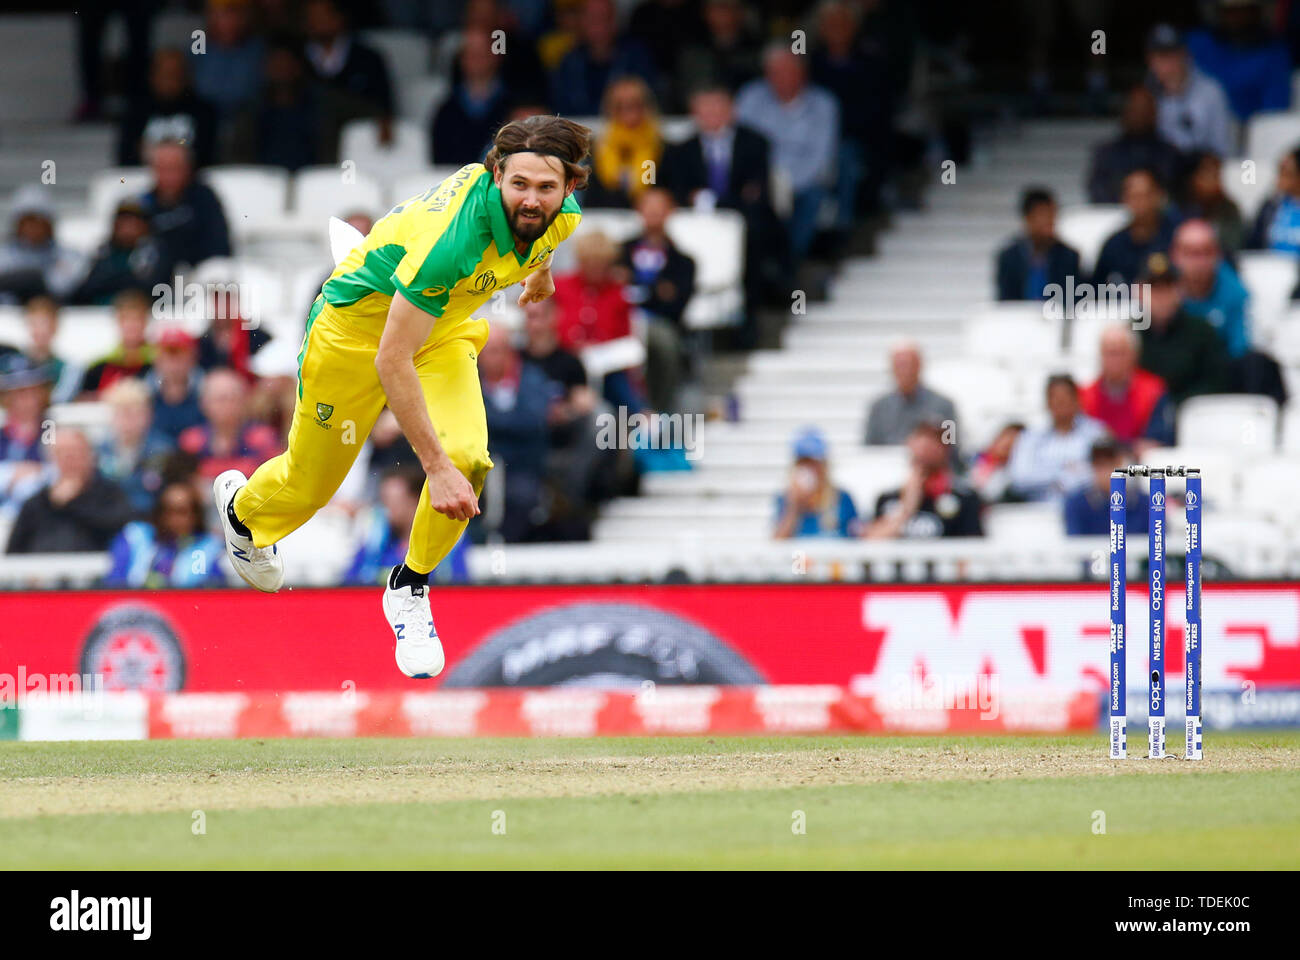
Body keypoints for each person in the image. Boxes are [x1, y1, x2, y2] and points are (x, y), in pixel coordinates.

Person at [213, 116, 589, 680]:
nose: (532, 199)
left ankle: (409, 587)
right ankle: (244, 516)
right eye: (519, 186)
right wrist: (431, 467)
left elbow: (538, 240)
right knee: (312, 486)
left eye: (546, 189)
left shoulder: (561, 218)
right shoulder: (453, 244)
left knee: (469, 459)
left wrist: (539, 273)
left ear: (568, 189)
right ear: (495, 175)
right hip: (355, 334)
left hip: (441, 328)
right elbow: (392, 359)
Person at [736, 44, 839, 264]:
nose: (782, 78)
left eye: (789, 71)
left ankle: (791, 263)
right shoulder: (750, 97)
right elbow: (741, 145)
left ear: (803, 73)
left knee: (813, 195)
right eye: (775, 72)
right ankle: (761, 266)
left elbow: (821, 157)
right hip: (761, 177)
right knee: (748, 198)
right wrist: (766, 182)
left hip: (803, 179)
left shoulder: (824, 103)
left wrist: (788, 184)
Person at [620, 188, 696, 410]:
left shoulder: (683, 262)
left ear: (671, 212)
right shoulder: (619, 251)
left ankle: (659, 412)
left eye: (659, 208)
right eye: (648, 206)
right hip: (620, 322)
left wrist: (638, 290)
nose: (653, 213)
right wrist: (657, 292)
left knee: (664, 345)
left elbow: (677, 305)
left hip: (661, 325)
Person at [6, 428, 132, 554]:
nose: (69, 459)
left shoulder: (109, 494)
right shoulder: (36, 503)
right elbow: (14, 551)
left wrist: (72, 503)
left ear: (90, 455)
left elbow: (122, 529)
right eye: (62, 453)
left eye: (75, 452)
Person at [344, 468, 468, 586]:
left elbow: (460, 586)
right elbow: (349, 584)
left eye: (394, 501)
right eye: (384, 501)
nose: (386, 508)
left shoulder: (448, 543)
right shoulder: (373, 542)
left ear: (416, 501)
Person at [1136, 254, 1231, 405]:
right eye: (1154, 288)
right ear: (1139, 292)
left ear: (1180, 290)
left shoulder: (1202, 332)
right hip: (1143, 419)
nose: (1161, 296)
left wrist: (1174, 404)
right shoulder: (1129, 336)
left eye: (1167, 287)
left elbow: (1217, 383)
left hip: (1193, 417)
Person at [863, 421, 983, 539]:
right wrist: (907, 508)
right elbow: (871, 543)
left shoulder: (965, 499)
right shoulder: (889, 498)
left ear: (946, 450)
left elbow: (972, 547)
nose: (925, 449)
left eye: (934, 441)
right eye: (921, 441)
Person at [1005, 374, 1109, 502]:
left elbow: (1108, 471)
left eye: (1065, 399)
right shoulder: (1031, 437)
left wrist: (1079, 476)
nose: (1061, 404)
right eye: (1056, 399)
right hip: (1041, 510)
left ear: (1077, 400)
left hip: (1088, 509)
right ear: (1047, 403)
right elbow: (1019, 477)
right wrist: (1060, 474)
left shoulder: (1096, 434)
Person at [104, 480, 227, 587]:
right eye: (168, 510)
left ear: (195, 515)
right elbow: (115, 582)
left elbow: (212, 590)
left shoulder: (208, 548)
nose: (173, 518)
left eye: (181, 511)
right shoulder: (135, 536)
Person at [117, 47, 219, 168]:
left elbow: (206, 157)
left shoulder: (204, 112)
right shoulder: (135, 112)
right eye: (165, 74)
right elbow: (126, 158)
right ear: (152, 76)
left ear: (187, 76)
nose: (170, 80)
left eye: (176, 74)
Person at [1079, 324, 1175, 451]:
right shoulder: (1085, 396)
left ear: (1134, 355)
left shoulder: (1153, 391)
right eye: (1109, 353)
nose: (1114, 360)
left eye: (1120, 353)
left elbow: (1158, 441)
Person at [139, 140, 232, 270]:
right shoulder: (143, 203)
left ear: (187, 168)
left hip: (199, 274)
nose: (168, 177)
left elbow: (219, 248)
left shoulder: (204, 199)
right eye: (162, 169)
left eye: (174, 168)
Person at [1145, 23, 1234, 158]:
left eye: (1172, 55)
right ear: (1150, 60)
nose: (1167, 64)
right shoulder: (1145, 95)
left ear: (1184, 54)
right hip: (1159, 168)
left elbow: (1221, 148)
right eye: (1160, 56)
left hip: (1199, 166)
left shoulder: (1210, 91)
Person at [179, 367, 282, 482]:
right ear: (204, 403)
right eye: (220, 399)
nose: (227, 406)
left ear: (245, 401)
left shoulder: (262, 439)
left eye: (233, 398)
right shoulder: (192, 442)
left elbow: (275, 481)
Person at [1086, 86, 1183, 205]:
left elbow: (1175, 195)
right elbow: (1097, 192)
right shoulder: (1105, 153)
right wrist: (1129, 206)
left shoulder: (1170, 154)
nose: (1139, 115)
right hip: (1117, 217)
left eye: (1144, 109)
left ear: (1154, 113)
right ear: (1124, 113)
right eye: (1134, 109)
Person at [1171, 219, 1250, 358]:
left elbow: (1238, 350)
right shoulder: (1160, 287)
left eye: (1206, 252)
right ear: (1175, 255)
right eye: (1190, 253)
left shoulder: (1235, 292)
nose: (1199, 262)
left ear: (1218, 254)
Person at [431, 29, 509, 167]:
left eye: (482, 52)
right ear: (461, 59)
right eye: (470, 53)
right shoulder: (445, 112)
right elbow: (440, 166)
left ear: (496, 56)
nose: (476, 58)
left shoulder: (515, 106)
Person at [71, 198, 170, 306]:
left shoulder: (156, 253)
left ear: (145, 225)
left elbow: (156, 288)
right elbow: (85, 290)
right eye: (123, 220)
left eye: (133, 221)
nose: (127, 226)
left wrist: (114, 279)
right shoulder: (102, 253)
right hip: (99, 316)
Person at [97, 378, 173, 517]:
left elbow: (154, 493)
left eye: (135, 413)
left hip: (150, 519)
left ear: (148, 415)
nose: (128, 421)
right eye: (122, 413)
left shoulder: (162, 449)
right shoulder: (100, 450)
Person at [586, 76, 664, 208]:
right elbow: (593, 196)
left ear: (646, 107)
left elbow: (663, 190)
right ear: (611, 110)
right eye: (620, 107)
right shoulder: (600, 148)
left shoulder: (659, 145)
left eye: (635, 105)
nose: (628, 113)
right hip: (609, 215)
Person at [1092, 168, 1178, 286]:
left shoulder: (1178, 237)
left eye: (1146, 195)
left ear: (1160, 195)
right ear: (1124, 199)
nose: (1140, 202)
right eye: (1133, 196)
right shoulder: (1113, 245)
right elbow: (1095, 289)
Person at [0, 186, 85, 305]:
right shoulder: (3, 255)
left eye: (39, 221)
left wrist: (24, 279)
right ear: (17, 224)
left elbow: (60, 287)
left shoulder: (69, 256)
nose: (32, 227)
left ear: (49, 224)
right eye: (27, 220)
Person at [864, 340, 958, 448]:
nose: (905, 371)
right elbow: (869, 451)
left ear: (920, 365)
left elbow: (952, 451)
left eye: (908, 364)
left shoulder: (944, 407)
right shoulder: (878, 409)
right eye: (899, 365)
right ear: (892, 368)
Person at [995, 187, 1082, 302]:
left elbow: (1073, 299)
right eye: (1042, 215)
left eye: (1052, 215)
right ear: (1028, 218)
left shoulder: (1069, 256)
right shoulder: (1009, 258)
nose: (1049, 221)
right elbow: (1006, 300)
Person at [772, 426, 858, 539]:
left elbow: (859, 537)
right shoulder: (786, 499)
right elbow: (777, 542)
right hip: (798, 556)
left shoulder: (842, 498)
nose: (809, 469)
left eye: (814, 463)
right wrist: (794, 506)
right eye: (804, 463)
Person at [0, 354, 51, 520]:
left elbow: (54, 472)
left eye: (33, 391)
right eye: (19, 393)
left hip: (36, 517)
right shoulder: (3, 432)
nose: (28, 400)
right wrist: (13, 474)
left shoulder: (49, 428)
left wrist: (35, 473)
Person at [1063, 438, 1149, 537]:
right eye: (1099, 464)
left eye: (1110, 463)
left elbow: (1159, 543)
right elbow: (1075, 544)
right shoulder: (1077, 504)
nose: (1105, 470)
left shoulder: (1143, 503)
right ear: (1092, 466)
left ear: (1121, 462)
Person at [79, 289, 154, 397]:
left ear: (146, 321)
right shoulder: (99, 367)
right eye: (126, 319)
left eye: (137, 319)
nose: (132, 325)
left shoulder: (160, 363)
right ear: (118, 321)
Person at [1179, 151, 1245, 259]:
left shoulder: (1229, 209)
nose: (1214, 181)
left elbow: (1232, 246)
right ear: (1193, 178)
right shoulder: (1179, 207)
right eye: (1208, 175)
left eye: (1217, 175)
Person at [21, 297, 81, 403]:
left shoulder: (68, 368)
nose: (39, 330)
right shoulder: (14, 364)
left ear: (55, 327)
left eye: (44, 324)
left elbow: (61, 399)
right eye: (34, 324)